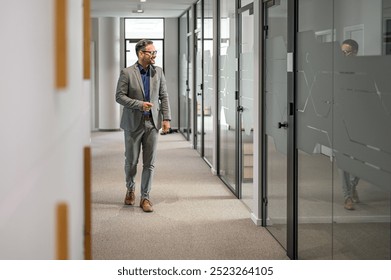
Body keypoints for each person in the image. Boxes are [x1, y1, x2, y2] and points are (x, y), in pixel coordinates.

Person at [115, 39, 171, 212]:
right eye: (151, 52)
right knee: (131, 161)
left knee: (150, 163)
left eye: (155, 52)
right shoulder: (127, 73)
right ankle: (130, 189)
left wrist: (166, 118)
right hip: (133, 123)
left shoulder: (158, 72)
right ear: (141, 54)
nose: (154, 55)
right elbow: (119, 96)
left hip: (152, 123)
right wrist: (139, 104)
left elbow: (164, 96)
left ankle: (145, 197)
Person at [340, 39, 360, 210]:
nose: (345, 55)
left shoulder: (364, 72)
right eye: (343, 52)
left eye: (349, 52)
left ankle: (353, 186)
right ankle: (347, 196)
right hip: (342, 122)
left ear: (356, 52)